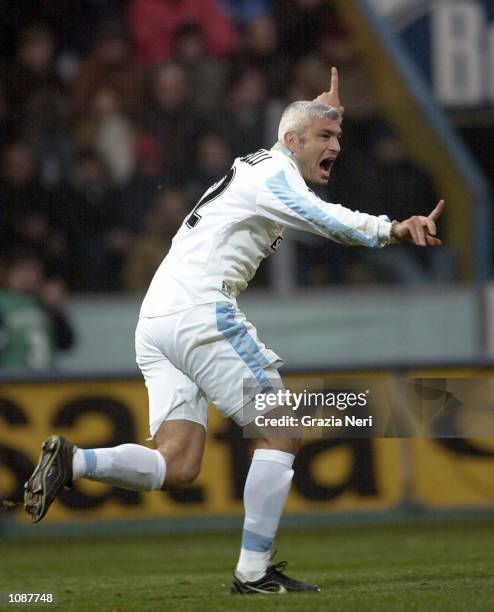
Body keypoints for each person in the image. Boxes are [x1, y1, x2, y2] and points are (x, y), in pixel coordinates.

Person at [24, 68, 445, 594]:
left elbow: (297, 137)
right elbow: (323, 219)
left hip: (157, 320)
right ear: (292, 141)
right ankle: (253, 572)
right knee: (281, 429)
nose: (336, 144)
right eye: (326, 137)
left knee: (176, 465)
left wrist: (317, 113)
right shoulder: (275, 175)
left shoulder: (263, 162)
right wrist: (393, 228)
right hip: (200, 311)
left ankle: (75, 460)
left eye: (338, 137)